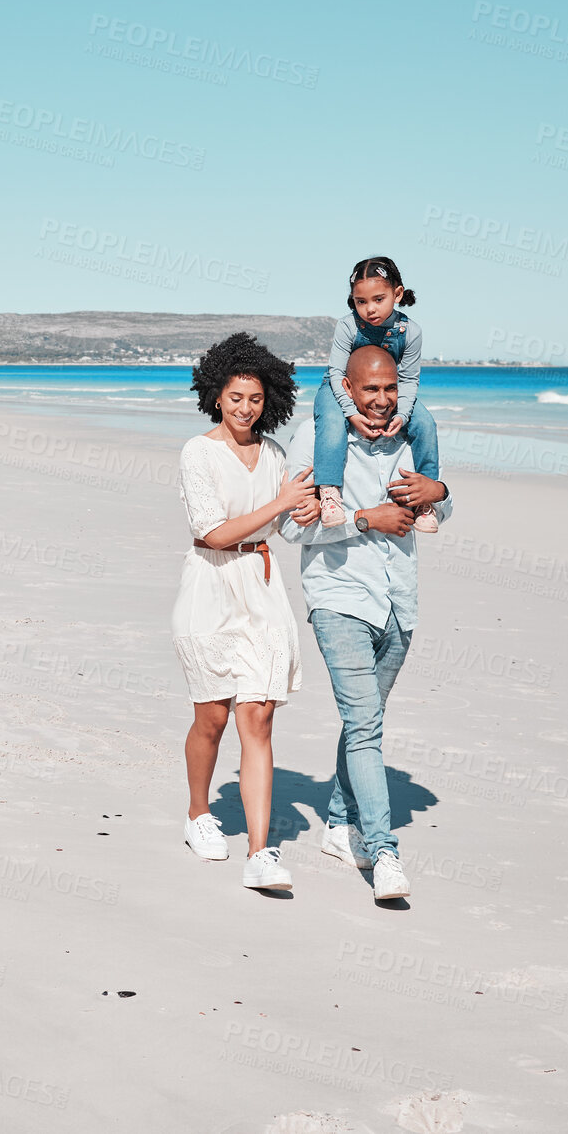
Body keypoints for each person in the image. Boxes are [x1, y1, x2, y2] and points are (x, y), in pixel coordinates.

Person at [281, 345, 454, 901]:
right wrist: (362, 519)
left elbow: (434, 507)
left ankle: (337, 822)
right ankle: (383, 853)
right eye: (369, 390)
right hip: (339, 598)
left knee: (365, 722)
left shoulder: (410, 433)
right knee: (366, 727)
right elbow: (289, 528)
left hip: (399, 600)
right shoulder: (317, 437)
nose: (380, 401)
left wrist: (441, 493)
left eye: (389, 390)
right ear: (347, 389)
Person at [172, 333, 321, 892]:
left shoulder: (276, 455)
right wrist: (281, 503)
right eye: (235, 396)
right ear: (216, 395)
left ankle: (260, 852)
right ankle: (198, 815)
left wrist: (305, 510)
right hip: (209, 586)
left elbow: (282, 527)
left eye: (255, 398)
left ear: (269, 400)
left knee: (257, 716)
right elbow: (210, 530)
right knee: (211, 717)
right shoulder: (198, 452)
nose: (245, 408)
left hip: (260, 588)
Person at [313, 256, 441, 533]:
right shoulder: (348, 326)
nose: (370, 309)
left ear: (397, 294)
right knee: (332, 423)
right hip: (339, 388)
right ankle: (330, 493)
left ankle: (425, 499)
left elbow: (407, 379)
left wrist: (404, 416)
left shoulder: (410, 332)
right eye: (361, 301)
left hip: (389, 390)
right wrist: (349, 412)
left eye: (378, 299)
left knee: (425, 424)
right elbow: (336, 373)